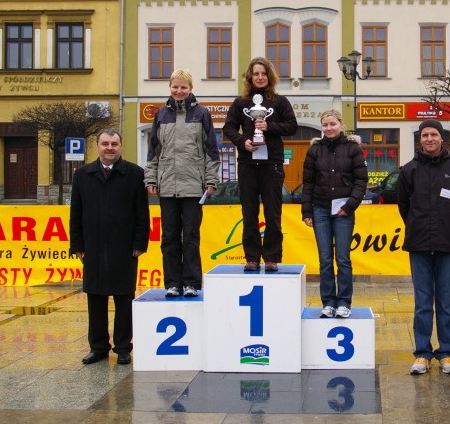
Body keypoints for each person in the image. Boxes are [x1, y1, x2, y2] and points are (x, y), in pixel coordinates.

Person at [69, 129, 150, 366]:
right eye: (105, 144)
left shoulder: (135, 174)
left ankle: (123, 347)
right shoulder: (82, 174)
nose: (110, 148)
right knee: (95, 297)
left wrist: (139, 243)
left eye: (114, 144)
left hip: (124, 247)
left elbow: (142, 213)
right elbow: (76, 213)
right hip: (93, 246)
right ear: (97, 146)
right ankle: (98, 347)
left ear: (120, 146)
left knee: (124, 297)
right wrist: (77, 245)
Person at [397, 120, 450, 375]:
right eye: (425, 135)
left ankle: (446, 353)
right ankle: (422, 354)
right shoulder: (409, 170)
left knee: (446, 302)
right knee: (423, 302)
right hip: (419, 244)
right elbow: (404, 207)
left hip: (449, 245)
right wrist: (418, 226)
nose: (430, 138)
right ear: (420, 139)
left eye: (434, 134)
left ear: (442, 138)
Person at [145, 69, 220, 298]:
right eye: (175, 87)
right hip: (167, 187)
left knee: (191, 237)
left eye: (183, 87)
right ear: (170, 87)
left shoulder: (202, 114)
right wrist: (151, 178)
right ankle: (172, 283)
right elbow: (154, 151)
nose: (179, 91)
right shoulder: (160, 114)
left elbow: (211, 151)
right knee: (169, 238)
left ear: (191, 89)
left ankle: (191, 283)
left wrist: (211, 179)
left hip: (194, 187)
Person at [223, 57, 298, 272]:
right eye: (256, 74)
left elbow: (292, 126)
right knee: (249, 213)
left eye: (263, 74)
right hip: (247, 163)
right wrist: (242, 142)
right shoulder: (240, 103)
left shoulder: (280, 101)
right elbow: (228, 128)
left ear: (270, 77)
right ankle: (252, 257)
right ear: (250, 77)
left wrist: (269, 127)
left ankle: (272, 257)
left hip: (272, 164)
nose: (260, 77)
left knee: (273, 213)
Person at [301, 110, 368, 319]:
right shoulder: (314, 150)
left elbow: (361, 181)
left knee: (343, 258)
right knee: (325, 259)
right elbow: (308, 183)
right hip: (320, 209)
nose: (329, 128)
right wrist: (306, 210)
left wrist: (350, 205)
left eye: (332, 124)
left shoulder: (353, 149)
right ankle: (328, 302)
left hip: (343, 210)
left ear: (341, 125)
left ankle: (344, 302)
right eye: (325, 125)